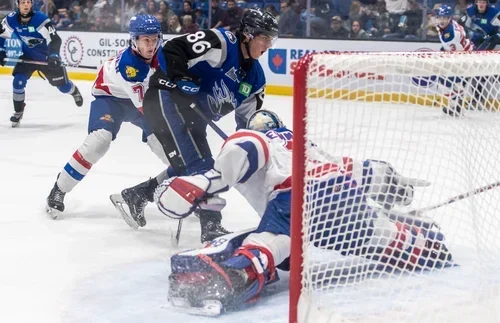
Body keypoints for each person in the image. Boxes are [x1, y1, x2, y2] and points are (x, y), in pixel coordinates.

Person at [155, 110, 454, 315]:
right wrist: (395, 185)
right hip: (344, 192)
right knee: (377, 235)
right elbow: (357, 168)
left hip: (298, 195)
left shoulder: (259, 137)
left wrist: (205, 180)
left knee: (273, 239)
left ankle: (238, 274)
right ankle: (424, 244)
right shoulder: (304, 142)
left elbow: (242, 150)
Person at [111, 9, 278, 243]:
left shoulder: (256, 79)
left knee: (187, 164)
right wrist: (182, 79)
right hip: (166, 99)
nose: (269, 45)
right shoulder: (222, 42)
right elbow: (173, 49)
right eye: (266, 38)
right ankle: (211, 227)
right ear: (249, 34)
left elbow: (247, 126)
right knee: (203, 167)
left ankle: (137, 195)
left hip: (194, 118)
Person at [45, 14, 169, 217]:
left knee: (168, 148)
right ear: (134, 40)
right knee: (99, 142)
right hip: (111, 99)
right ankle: (59, 188)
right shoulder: (128, 66)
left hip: (143, 99)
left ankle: (178, 192)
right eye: (146, 40)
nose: (151, 45)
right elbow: (147, 108)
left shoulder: (162, 54)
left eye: (155, 39)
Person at [0, 0, 83, 127]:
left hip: (47, 58)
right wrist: (1, 50)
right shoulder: (11, 19)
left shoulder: (40, 19)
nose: (26, 5)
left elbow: (55, 39)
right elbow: (2, 35)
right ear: (18, 4)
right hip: (28, 56)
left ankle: (74, 91)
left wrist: (54, 55)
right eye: (23, 2)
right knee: (18, 81)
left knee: (63, 87)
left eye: (28, 2)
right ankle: (18, 111)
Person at [436, 4, 474, 116]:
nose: (441, 20)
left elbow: (457, 52)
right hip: (463, 52)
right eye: (440, 17)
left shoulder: (452, 35)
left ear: (449, 18)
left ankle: (454, 106)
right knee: (457, 82)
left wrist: (445, 52)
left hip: (462, 56)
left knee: (444, 82)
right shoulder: (445, 26)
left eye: (444, 18)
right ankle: (457, 104)